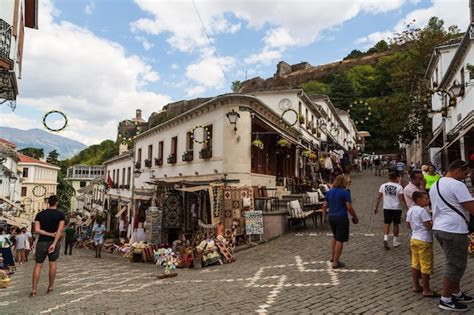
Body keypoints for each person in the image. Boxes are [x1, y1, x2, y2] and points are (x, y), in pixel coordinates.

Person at [429, 160, 474, 312]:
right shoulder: (457, 185)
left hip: (440, 227)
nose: (465, 177)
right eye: (465, 173)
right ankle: (446, 299)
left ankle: (456, 292)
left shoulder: (436, 184)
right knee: (456, 264)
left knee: (453, 261)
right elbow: (471, 207)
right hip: (454, 229)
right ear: (458, 170)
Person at [31, 195, 65, 297]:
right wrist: (54, 242)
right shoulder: (60, 215)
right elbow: (59, 231)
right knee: (52, 264)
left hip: (41, 242)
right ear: (57, 203)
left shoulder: (40, 214)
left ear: (48, 203)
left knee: (38, 265)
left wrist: (47, 234)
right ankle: (50, 287)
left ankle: (34, 290)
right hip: (54, 242)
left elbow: (36, 230)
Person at [322, 175, 359, 269]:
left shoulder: (329, 192)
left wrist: (324, 217)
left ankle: (332, 256)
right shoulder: (345, 192)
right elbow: (349, 207)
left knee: (335, 236)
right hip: (341, 217)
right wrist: (355, 217)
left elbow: (324, 206)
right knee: (340, 239)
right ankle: (336, 261)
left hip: (331, 217)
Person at [406, 191, 438, 297]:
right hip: (424, 239)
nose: (428, 200)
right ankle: (426, 289)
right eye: (426, 198)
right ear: (419, 200)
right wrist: (433, 223)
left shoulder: (411, 210)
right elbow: (428, 226)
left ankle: (416, 285)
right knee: (425, 265)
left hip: (414, 238)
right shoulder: (423, 211)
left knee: (415, 263)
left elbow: (408, 224)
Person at [374, 172, 408, 249]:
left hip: (386, 207)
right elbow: (402, 199)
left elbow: (378, 197)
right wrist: (407, 208)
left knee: (387, 223)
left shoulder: (383, 186)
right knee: (396, 224)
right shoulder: (399, 187)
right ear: (396, 178)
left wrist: (376, 207)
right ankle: (395, 241)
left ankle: (385, 238)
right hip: (396, 208)